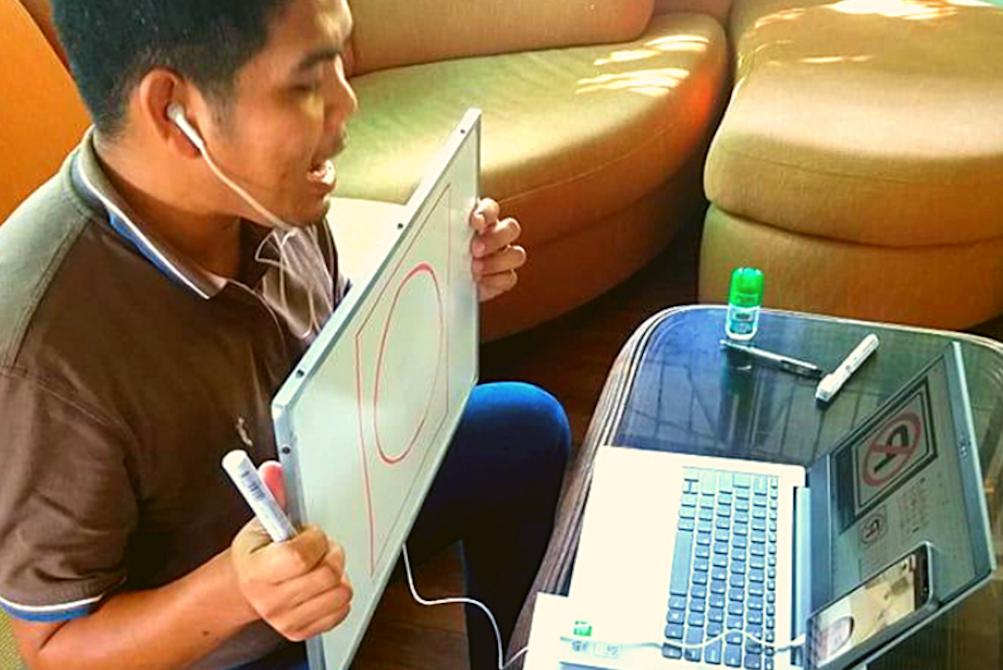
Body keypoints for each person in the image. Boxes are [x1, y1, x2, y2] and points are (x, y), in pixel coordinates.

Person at [0, 0, 571, 669]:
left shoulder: (268, 193)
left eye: (340, 62)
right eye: (306, 84)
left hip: (334, 507)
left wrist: (440, 287)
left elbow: (329, 354)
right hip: (230, 638)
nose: (346, 105)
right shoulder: (40, 356)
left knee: (527, 431)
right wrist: (238, 592)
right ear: (173, 112)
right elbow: (55, 648)